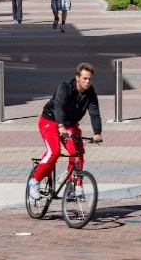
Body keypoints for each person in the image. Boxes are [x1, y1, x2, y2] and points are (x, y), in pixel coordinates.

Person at [28, 62, 103, 202]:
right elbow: (58, 107)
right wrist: (60, 126)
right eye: (85, 78)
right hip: (50, 121)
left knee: (77, 152)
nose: (87, 82)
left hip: (70, 125)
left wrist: (97, 133)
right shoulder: (64, 88)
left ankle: (74, 187)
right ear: (77, 78)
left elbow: (95, 113)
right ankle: (34, 181)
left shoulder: (90, 93)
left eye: (90, 79)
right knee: (54, 151)